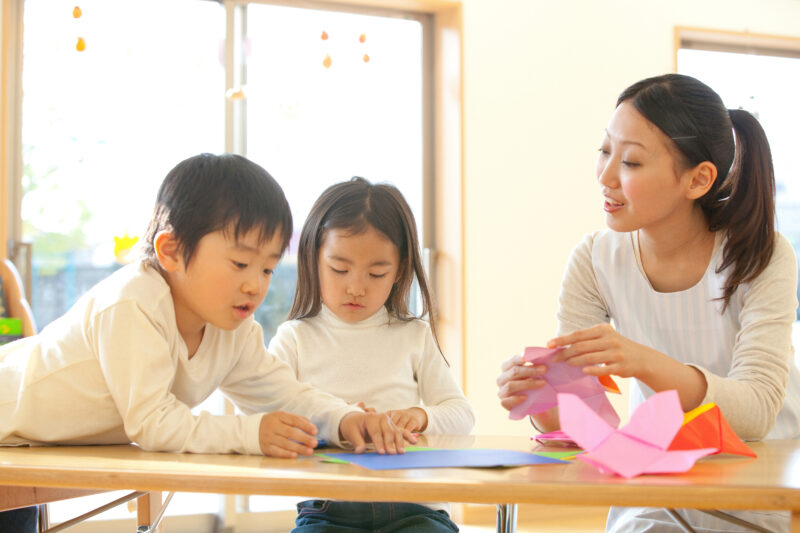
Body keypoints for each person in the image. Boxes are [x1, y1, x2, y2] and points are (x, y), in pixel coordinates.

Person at [496, 74, 800, 533]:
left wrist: (643, 362)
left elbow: (757, 411)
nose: (605, 175)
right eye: (604, 151)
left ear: (698, 180)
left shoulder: (761, 253)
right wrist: (537, 395)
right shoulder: (595, 259)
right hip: (654, 497)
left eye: (632, 161)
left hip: (760, 493)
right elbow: (580, 424)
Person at [0, 153, 413, 460]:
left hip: (30, 445)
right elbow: (154, 424)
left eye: (268, 269)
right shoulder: (132, 303)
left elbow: (283, 394)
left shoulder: (232, 329)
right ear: (173, 251)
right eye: (240, 263)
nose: (255, 285)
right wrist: (251, 434)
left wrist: (343, 419)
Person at [269, 176, 475, 532]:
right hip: (327, 509)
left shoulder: (414, 335)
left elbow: (462, 415)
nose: (356, 287)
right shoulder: (294, 338)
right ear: (313, 257)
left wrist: (419, 416)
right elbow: (272, 420)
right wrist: (338, 422)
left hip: (416, 507)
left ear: (399, 271)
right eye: (339, 269)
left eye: (377, 273)